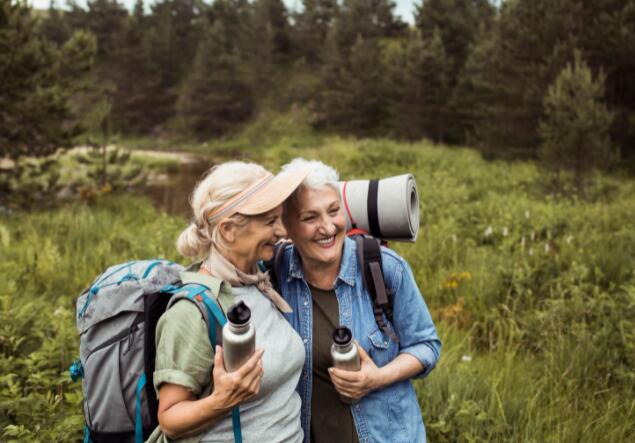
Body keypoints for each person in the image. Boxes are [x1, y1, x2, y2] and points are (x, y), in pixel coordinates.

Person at [275, 158, 441, 443]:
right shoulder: (275, 273)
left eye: (333, 211)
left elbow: (427, 346)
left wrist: (377, 378)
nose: (327, 227)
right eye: (309, 218)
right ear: (287, 226)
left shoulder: (383, 268)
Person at [147, 161, 308, 443]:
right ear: (228, 230)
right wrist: (222, 400)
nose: (283, 231)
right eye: (270, 221)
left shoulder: (258, 280)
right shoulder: (192, 310)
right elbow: (170, 420)